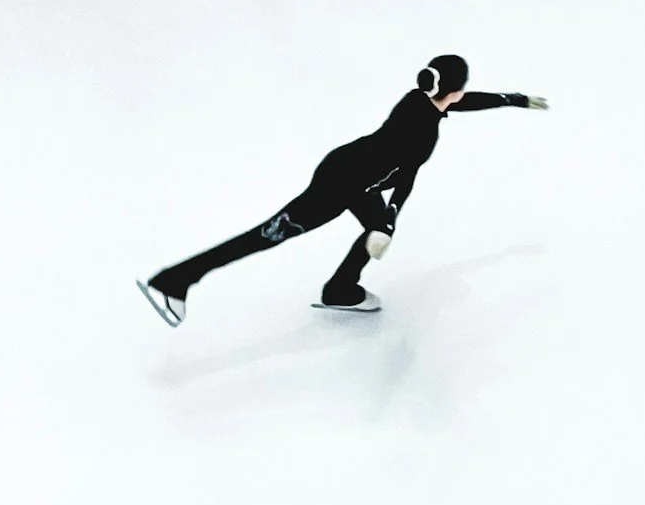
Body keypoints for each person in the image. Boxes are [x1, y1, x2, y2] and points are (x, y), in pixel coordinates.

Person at [137, 55, 548, 326]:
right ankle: (173, 281)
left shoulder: (424, 101)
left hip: (351, 169)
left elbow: (465, 101)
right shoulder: (420, 129)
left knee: (372, 232)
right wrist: (387, 220)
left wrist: (513, 99)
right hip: (341, 185)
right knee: (265, 237)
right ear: (450, 90)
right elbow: (405, 178)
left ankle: (340, 290)